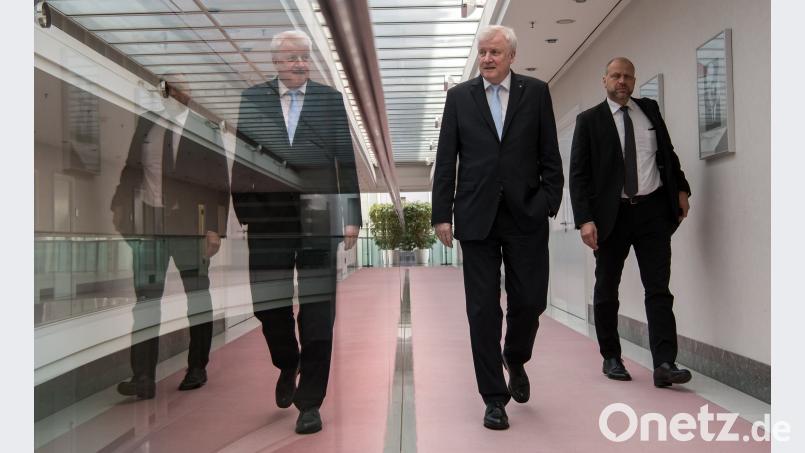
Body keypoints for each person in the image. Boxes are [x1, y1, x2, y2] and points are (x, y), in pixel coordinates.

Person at [431, 25, 563, 430]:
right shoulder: (459, 97)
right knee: (483, 310)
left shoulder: (536, 93)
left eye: (495, 52)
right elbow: (447, 157)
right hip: (476, 216)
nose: (487, 58)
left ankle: (515, 356)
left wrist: (548, 201)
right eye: (483, 51)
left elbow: (550, 153)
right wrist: (441, 214)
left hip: (526, 214)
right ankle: (493, 398)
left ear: (512, 56)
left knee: (530, 301)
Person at [231, 30, 361, 435]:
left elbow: (345, 159)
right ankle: (289, 362)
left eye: (305, 57)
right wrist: (245, 212)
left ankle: (310, 402)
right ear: (275, 62)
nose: (300, 64)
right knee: (268, 307)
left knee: (319, 312)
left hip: (319, 218)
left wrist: (351, 215)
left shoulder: (329, 100)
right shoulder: (253, 99)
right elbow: (242, 156)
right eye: (292, 58)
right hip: (268, 221)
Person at [569, 57, 693, 388]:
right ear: (605, 80)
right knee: (607, 287)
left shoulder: (649, 110)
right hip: (612, 216)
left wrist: (681, 188)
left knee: (658, 288)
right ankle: (611, 356)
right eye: (616, 76)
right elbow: (578, 175)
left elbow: (667, 153)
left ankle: (664, 363)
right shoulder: (589, 120)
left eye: (627, 76)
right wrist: (584, 219)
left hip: (652, 212)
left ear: (634, 81)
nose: (621, 81)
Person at [110, 86, 230, 399]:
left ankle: (197, 367)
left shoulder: (205, 129)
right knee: (146, 302)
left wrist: (215, 229)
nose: (178, 91)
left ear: (190, 92)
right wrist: (118, 205)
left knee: (197, 298)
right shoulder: (147, 122)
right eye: (172, 85)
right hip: (151, 227)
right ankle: (143, 376)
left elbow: (220, 180)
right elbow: (131, 168)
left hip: (191, 229)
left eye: (183, 86)